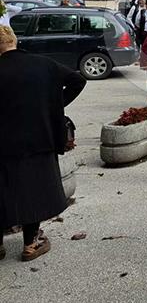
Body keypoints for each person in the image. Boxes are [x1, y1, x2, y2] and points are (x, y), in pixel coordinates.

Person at [0, 25, 86, 261]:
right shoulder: (43, 64)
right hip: (39, 137)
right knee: (34, 189)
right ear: (15, 41)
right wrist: (54, 105)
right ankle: (30, 243)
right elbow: (78, 80)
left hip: (3, 141)